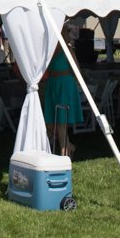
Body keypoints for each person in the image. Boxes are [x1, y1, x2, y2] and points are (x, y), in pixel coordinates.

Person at [43, 24, 84, 156]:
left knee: (61, 120)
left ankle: (64, 150)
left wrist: (76, 85)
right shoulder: (48, 49)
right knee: (50, 120)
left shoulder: (67, 49)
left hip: (64, 84)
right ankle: (68, 145)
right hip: (53, 83)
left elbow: (77, 69)